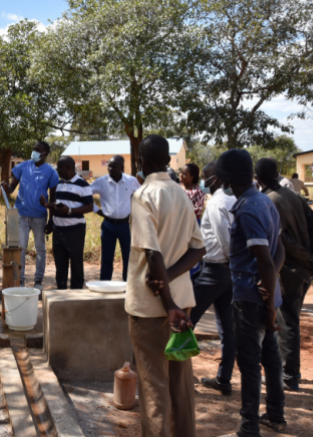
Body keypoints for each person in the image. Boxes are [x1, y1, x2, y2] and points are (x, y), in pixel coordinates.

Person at [126, 135, 206, 437]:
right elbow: (199, 249)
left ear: (141, 161)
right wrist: (172, 285)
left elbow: (152, 251)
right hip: (182, 301)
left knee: (153, 387)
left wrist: (167, 302)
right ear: (168, 160)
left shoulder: (143, 196)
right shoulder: (182, 194)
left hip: (151, 307)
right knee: (180, 384)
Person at [217, 150, 287, 437]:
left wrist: (269, 306)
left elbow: (266, 259)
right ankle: (275, 415)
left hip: (252, 298)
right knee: (270, 356)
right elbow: (279, 250)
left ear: (228, 179)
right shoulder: (263, 202)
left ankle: (249, 428)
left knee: (248, 361)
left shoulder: (247, 209)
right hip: (266, 293)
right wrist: (271, 286)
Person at [256, 158, 313, 392]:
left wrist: (311, 259)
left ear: (258, 178)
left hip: (289, 269)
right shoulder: (292, 195)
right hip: (303, 269)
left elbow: (283, 241)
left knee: (287, 322)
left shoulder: (267, 201)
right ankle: (288, 371)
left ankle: (289, 375)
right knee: (289, 320)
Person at [190, 161, 237, 396]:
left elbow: (224, 240)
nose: (203, 181)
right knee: (227, 328)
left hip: (216, 269)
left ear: (216, 179)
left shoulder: (218, 203)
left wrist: (230, 263)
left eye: (206, 176)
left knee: (186, 318)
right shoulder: (232, 201)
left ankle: (177, 375)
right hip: (228, 272)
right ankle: (224, 379)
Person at [0, 141, 60, 290]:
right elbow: (12, 188)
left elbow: (53, 198)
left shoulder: (51, 172)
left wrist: (51, 220)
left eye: (37, 150)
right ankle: (21, 280)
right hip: (21, 214)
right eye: (33, 149)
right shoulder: (23, 166)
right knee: (21, 248)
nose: (33, 152)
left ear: (44, 154)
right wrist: (7, 187)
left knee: (40, 248)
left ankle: (38, 280)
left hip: (39, 216)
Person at [42, 156, 93, 290]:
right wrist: (47, 205)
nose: (57, 170)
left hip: (75, 230)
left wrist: (69, 210)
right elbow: (58, 203)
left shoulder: (82, 184)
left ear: (68, 168)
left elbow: (89, 206)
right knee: (60, 264)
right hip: (59, 229)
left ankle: (76, 294)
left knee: (76, 263)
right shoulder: (59, 184)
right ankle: (61, 292)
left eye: (59, 168)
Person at [91, 155, 140, 281]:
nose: (111, 169)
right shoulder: (101, 181)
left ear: (121, 167)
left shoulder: (131, 181)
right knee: (107, 258)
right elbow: (85, 195)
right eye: (109, 166)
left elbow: (141, 196)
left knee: (128, 257)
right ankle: (105, 286)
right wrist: (97, 210)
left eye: (114, 166)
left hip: (125, 225)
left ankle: (128, 286)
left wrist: (134, 212)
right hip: (108, 225)